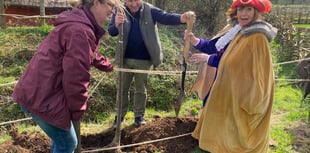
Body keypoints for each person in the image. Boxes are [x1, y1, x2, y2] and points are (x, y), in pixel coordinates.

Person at [12, 0, 119, 152]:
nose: (113, 11)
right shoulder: (80, 31)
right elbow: (76, 78)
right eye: (111, 5)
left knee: (61, 141)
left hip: (37, 90)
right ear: (96, 3)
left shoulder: (79, 23)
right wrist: (77, 111)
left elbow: (89, 53)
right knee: (68, 143)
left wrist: (108, 66)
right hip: (44, 96)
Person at [184, 0, 277, 152]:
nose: (244, 14)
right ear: (235, 11)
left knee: (235, 121)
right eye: (241, 9)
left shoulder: (257, 37)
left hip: (243, 88)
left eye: (248, 9)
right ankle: (215, 142)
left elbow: (238, 65)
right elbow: (215, 47)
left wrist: (208, 59)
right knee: (213, 108)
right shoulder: (236, 28)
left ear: (256, 13)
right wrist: (195, 41)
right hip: (224, 81)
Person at [108, 0, 193, 127]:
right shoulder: (119, 10)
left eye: (136, 0)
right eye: (130, 1)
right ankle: (119, 117)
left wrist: (182, 18)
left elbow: (166, 17)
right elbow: (112, 31)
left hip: (144, 60)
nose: (134, 4)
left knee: (141, 90)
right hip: (123, 60)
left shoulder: (150, 10)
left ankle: (139, 117)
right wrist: (116, 25)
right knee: (122, 89)